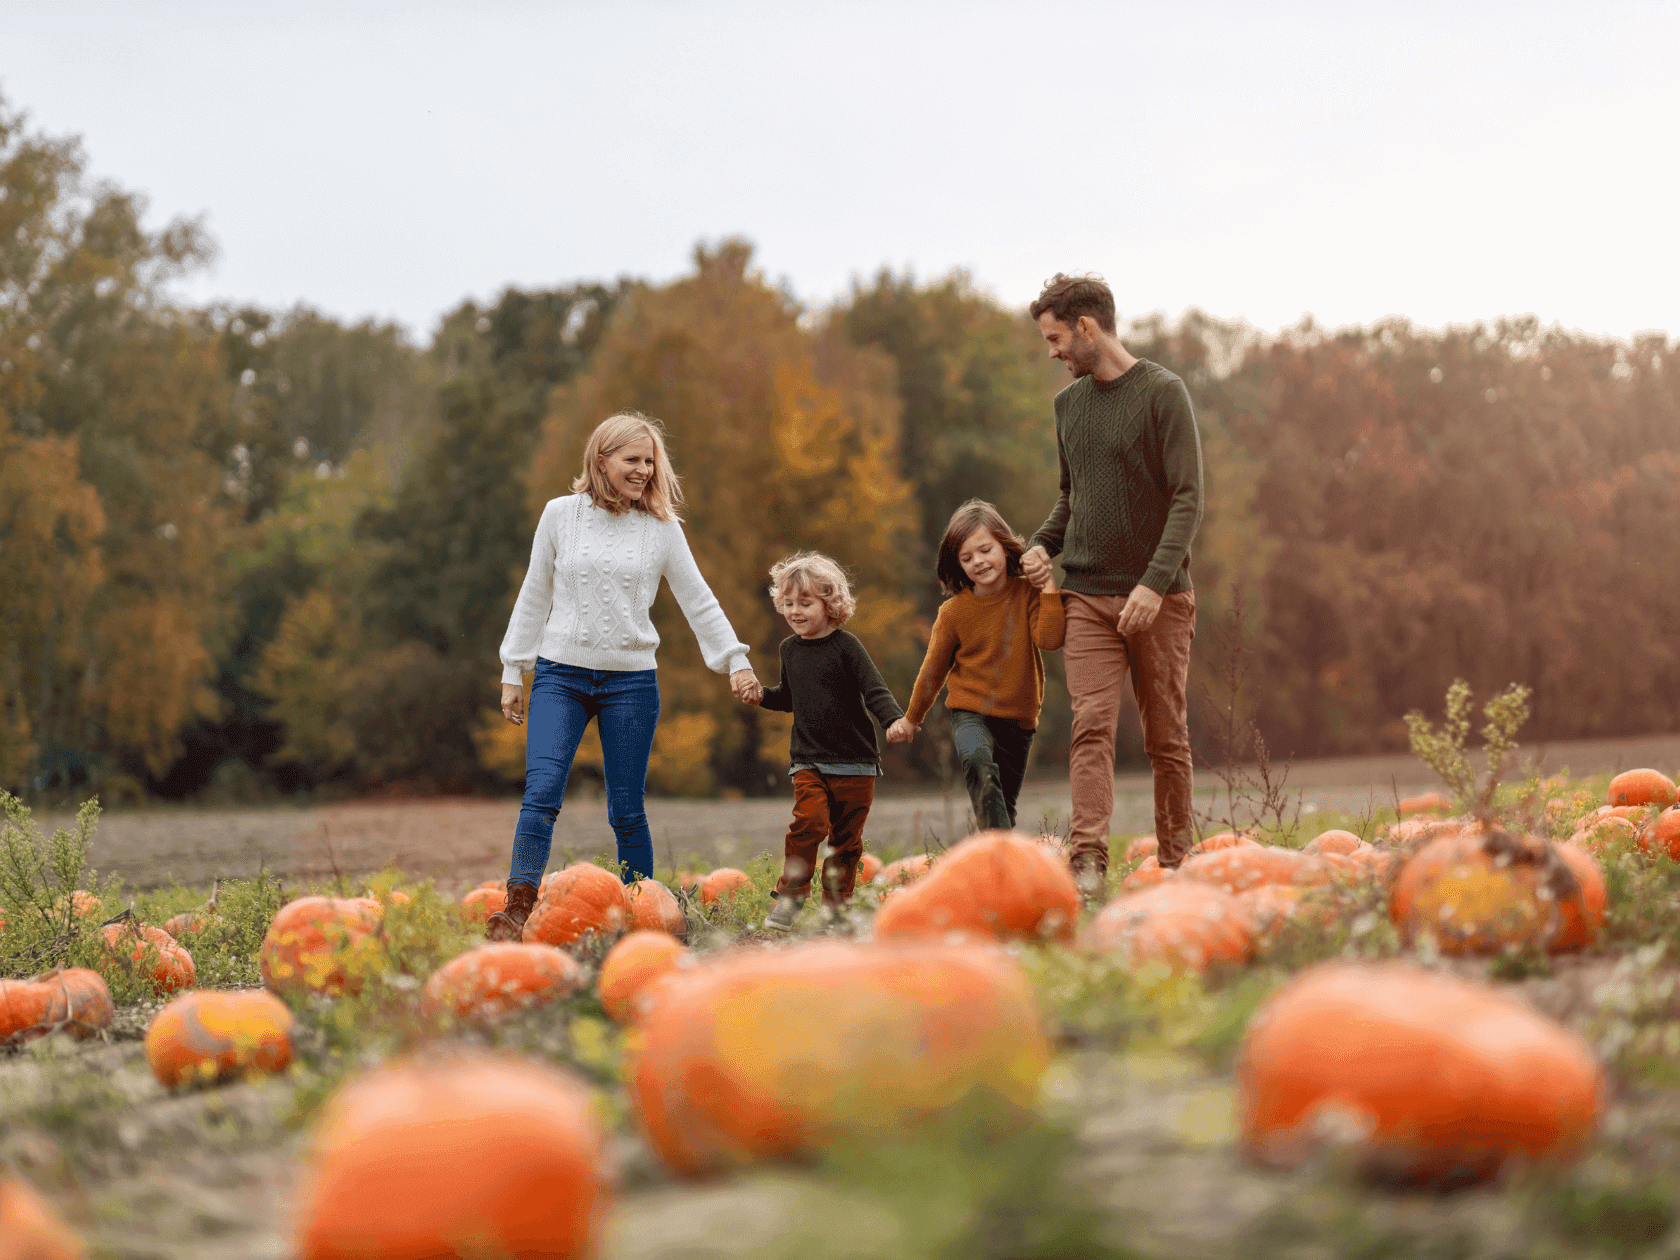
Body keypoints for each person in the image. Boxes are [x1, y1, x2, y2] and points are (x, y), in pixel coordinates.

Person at [484, 411, 760, 942]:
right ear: (601, 459)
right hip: (560, 675)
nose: (643, 470)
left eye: (650, 461)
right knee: (541, 794)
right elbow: (534, 591)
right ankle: (518, 909)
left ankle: (645, 915)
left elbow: (698, 600)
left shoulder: (662, 530)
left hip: (630, 683)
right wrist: (513, 668)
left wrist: (736, 658)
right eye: (632, 460)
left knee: (626, 809)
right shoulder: (559, 515)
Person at [1019, 273, 1204, 892]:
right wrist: (1041, 546)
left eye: (1055, 338)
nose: (1053, 352)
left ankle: (1176, 861)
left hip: (1161, 599)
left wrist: (1153, 584)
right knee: (1091, 726)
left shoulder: (1162, 393)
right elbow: (1073, 497)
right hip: (1087, 598)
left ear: (1087, 328)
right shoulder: (1066, 406)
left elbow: (1187, 497)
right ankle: (1089, 865)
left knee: (1165, 735)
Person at [744, 551, 908, 932]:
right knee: (809, 823)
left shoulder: (847, 646)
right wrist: (761, 695)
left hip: (856, 763)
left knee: (845, 844)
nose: (795, 611)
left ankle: (836, 912)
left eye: (805, 603)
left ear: (830, 604)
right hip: (809, 760)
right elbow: (788, 697)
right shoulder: (789, 650)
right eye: (788, 603)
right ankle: (790, 898)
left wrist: (893, 719)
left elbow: (874, 690)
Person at [887, 500, 1064, 833]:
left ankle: (998, 862)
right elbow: (932, 672)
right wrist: (911, 719)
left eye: (985, 550)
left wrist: (1049, 588)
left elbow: (1050, 640)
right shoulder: (953, 613)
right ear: (957, 565)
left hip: (1019, 720)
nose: (979, 562)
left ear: (1004, 545)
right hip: (971, 712)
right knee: (977, 762)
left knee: (1003, 809)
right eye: (967, 558)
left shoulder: (1028, 593)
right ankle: (995, 854)